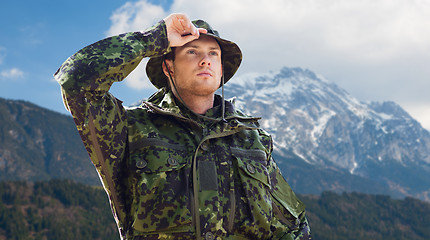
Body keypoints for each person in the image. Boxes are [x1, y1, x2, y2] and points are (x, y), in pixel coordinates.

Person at [54, 13, 310, 240]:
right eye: (192, 51)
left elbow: (293, 225)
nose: (205, 60)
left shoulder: (252, 139)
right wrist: (154, 39)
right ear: (168, 67)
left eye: (213, 54)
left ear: (221, 70)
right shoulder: (130, 129)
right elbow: (75, 80)